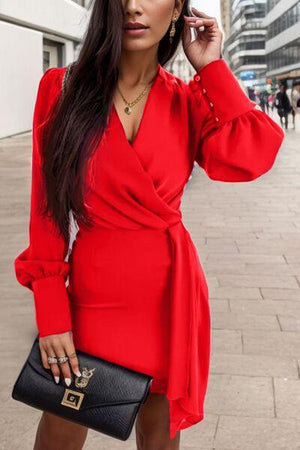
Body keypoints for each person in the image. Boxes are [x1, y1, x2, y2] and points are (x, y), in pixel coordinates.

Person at [13, 1, 284, 449]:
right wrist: (50, 309)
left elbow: (251, 156)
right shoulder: (61, 89)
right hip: (90, 296)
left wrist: (212, 69)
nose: (134, 7)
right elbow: (47, 211)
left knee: (160, 437)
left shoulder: (189, 99)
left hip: (169, 298)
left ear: (178, 8)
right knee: (60, 430)